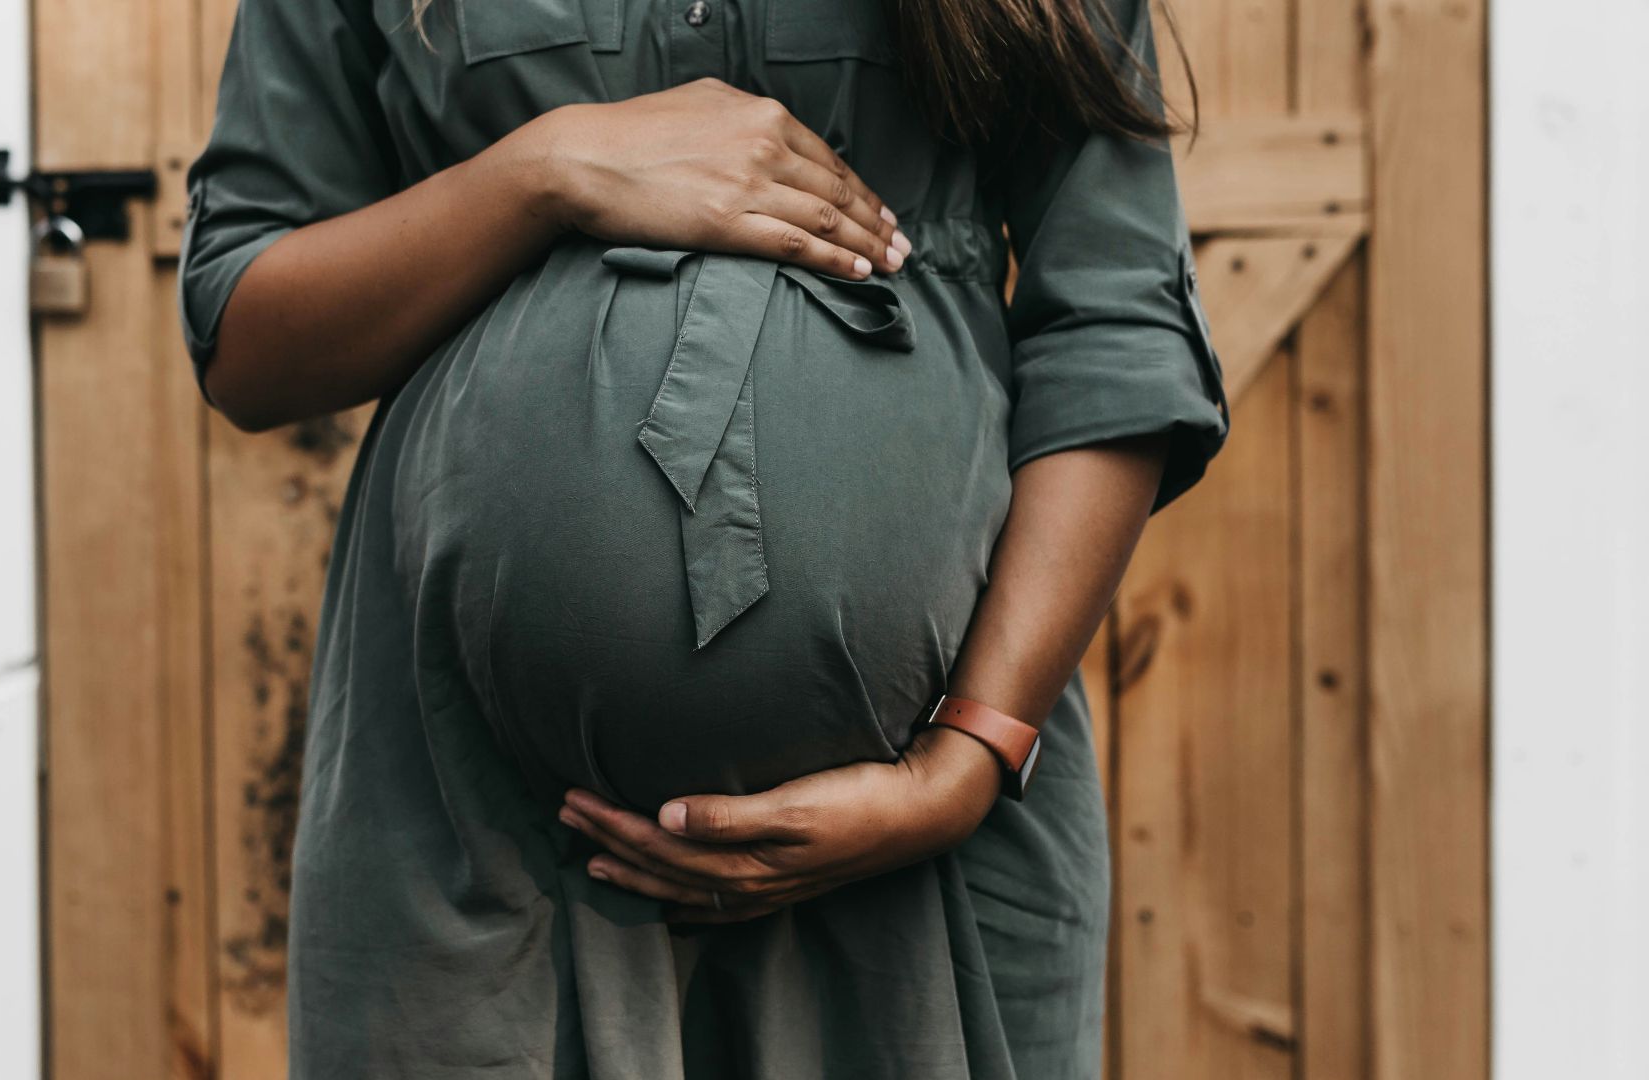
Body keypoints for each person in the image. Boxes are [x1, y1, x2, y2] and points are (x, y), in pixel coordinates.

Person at [177, 0, 1227, 1075]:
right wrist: (543, 170)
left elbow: (1115, 324)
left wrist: (965, 762)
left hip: (930, 849)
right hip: (476, 840)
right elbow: (245, 336)